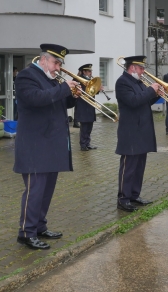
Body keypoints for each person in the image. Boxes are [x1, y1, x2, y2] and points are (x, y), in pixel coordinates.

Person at [14, 44, 80, 249]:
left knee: (46, 190)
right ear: (43, 60)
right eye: (55, 62)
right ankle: (26, 232)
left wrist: (73, 94)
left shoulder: (52, 79)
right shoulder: (27, 76)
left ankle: (40, 226)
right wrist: (63, 88)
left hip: (51, 143)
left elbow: (60, 103)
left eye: (60, 64)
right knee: (35, 190)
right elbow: (35, 99)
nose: (58, 68)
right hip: (35, 144)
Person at [115, 56, 161, 212]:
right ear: (132, 67)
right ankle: (123, 198)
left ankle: (134, 195)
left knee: (140, 166)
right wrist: (150, 90)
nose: (143, 72)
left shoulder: (139, 83)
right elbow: (133, 101)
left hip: (142, 129)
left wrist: (157, 94)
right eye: (141, 68)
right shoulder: (122, 82)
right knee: (129, 166)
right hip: (130, 131)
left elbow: (145, 102)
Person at [74, 63, 102, 151]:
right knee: (84, 126)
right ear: (83, 72)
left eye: (91, 71)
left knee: (90, 125)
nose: (90, 73)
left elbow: (92, 92)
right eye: (89, 71)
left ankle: (87, 143)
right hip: (82, 105)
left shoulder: (91, 80)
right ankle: (83, 144)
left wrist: (98, 89)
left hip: (90, 105)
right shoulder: (77, 80)